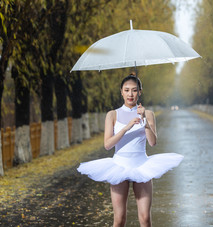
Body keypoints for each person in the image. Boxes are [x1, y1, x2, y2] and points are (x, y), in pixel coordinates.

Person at [77, 74, 183, 227]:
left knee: (145, 218)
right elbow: (108, 145)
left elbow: (153, 143)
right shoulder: (112, 115)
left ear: (140, 92)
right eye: (126, 90)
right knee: (119, 219)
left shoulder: (148, 114)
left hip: (142, 165)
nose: (130, 94)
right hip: (119, 166)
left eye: (134, 90)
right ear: (121, 92)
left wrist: (144, 121)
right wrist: (127, 127)